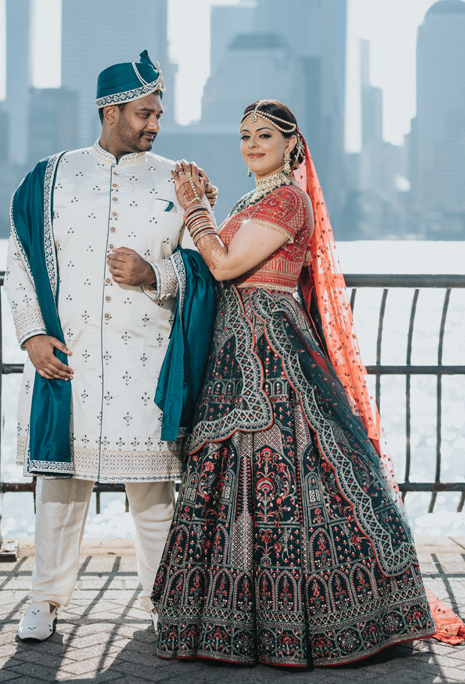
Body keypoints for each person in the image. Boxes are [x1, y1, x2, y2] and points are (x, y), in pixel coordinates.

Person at [151, 99, 440, 668]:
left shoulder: (289, 198)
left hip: (277, 355)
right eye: (243, 136)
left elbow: (228, 266)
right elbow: (219, 260)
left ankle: (335, 619)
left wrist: (195, 212)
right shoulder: (249, 199)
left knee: (303, 472)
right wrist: (207, 208)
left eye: (264, 135)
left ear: (291, 144)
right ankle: (232, 625)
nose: (251, 144)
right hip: (235, 359)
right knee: (231, 477)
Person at [4, 50, 216, 642]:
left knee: (153, 496)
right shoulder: (48, 179)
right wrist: (32, 334)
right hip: (66, 362)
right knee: (59, 492)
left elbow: (207, 265)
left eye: (159, 115)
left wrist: (156, 273)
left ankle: (164, 604)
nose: (155, 125)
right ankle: (44, 602)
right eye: (145, 113)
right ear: (110, 109)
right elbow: (19, 261)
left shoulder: (179, 181)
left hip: (144, 365)